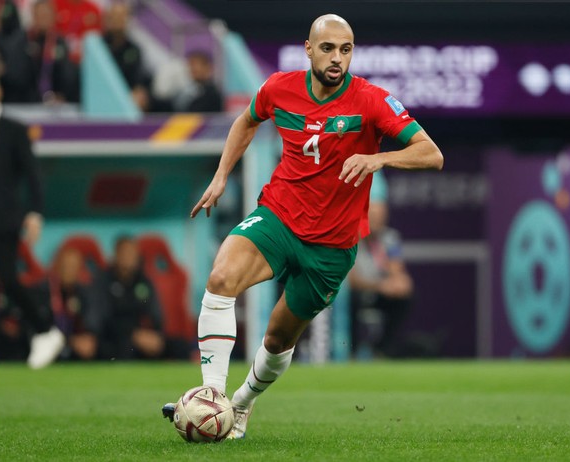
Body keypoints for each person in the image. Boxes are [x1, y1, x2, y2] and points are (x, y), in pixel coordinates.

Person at [161, 14, 443, 438]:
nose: (337, 58)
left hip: (331, 246)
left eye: (345, 49)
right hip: (280, 215)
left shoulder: (371, 101)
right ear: (308, 49)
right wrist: (221, 176)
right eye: (328, 48)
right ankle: (212, 396)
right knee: (221, 278)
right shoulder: (279, 87)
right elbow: (247, 121)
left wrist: (378, 158)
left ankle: (240, 404)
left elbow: (431, 153)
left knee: (277, 338)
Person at [0, 72, 65, 370]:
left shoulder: (13, 130)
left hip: (4, 219)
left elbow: (33, 176)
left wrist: (35, 213)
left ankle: (46, 330)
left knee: (8, 279)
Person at [348, 178, 414, 359]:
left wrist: (400, 282)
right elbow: (351, 281)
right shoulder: (350, 237)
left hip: (378, 291)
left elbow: (397, 270)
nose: (378, 219)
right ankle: (351, 352)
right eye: (373, 214)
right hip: (357, 292)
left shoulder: (389, 238)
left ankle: (383, 351)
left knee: (403, 298)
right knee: (350, 299)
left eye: (381, 214)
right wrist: (380, 286)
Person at [95, 235, 165, 360]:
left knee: (178, 346)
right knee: (123, 347)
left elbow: (156, 315)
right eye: (125, 253)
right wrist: (133, 334)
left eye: (132, 253)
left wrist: (153, 335)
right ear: (116, 255)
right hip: (116, 338)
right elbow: (103, 320)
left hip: (144, 336)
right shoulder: (103, 281)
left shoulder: (145, 282)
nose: (129, 257)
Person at [41, 247, 100, 360]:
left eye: (73, 266)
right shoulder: (44, 291)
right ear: (57, 266)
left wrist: (88, 338)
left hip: (76, 347)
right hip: (50, 344)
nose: (69, 270)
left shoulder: (83, 293)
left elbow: (91, 320)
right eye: (65, 266)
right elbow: (42, 326)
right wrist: (70, 341)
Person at [26, 0, 80, 103]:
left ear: (53, 17)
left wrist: (63, 96)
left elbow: (68, 75)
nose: (43, 19)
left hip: (55, 103)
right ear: (33, 16)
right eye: (40, 15)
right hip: (27, 101)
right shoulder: (24, 40)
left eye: (47, 15)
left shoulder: (59, 42)